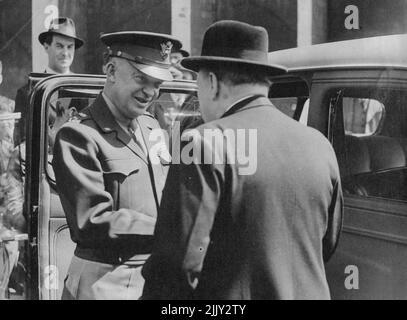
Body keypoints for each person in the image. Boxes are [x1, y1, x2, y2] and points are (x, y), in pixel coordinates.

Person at [142, 20, 344, 300]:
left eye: (197, 80)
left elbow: (176, 267)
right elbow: (327, 244)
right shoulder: (319, 144)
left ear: (211, 82)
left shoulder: (201, 142)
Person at [52, 31, 182, 300]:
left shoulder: (151, 126)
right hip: (106, 280)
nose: (151, 92)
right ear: (111, 70)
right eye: (141, 79)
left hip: (153, 276)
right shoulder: (79, 135)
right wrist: (168, 228)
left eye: (157, 83)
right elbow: (91, 220)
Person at [14, 17, 84, 145]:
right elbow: (23, 146)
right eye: (59, 46)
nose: (65, 53)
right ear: (46, 47)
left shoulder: (84, 88)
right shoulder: (28, 92)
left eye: (70, 47)